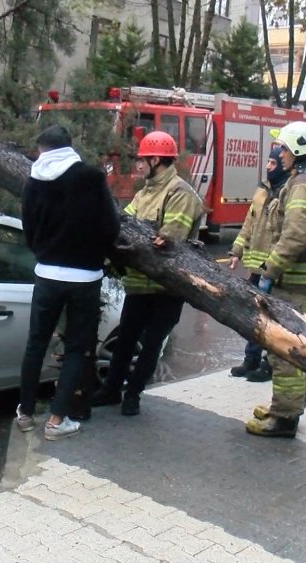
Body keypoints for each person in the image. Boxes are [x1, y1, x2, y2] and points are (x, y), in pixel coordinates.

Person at [16, 125, 120, 440]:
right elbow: (110, 225)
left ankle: (25, 412)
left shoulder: (33, 181)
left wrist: (44, 253)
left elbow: (28, 226)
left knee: (36, 343)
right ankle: (57, 420)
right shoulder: (89, 177)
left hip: (46, 273)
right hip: (85, 276)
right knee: (77, 347)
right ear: (69, 147)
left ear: (42, 149)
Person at [90, 131, 205, 416]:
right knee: (126, 339)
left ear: (156, 160)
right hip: (139, 285)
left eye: (142, 160)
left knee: (152, 344)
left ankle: (133, 394)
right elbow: (124, 226)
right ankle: (111, 390)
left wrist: (141, 242)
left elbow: (169, 240)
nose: (138, 165)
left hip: (167, 288)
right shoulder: (144, 193)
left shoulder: (180, 193)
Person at [246, 121, 306, 438]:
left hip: (296, 283)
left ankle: (284, 419)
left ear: (298, 150)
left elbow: (295, 235)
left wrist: (269, 270)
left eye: (284, 148)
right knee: (295, 351)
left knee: (286, 351)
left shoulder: (302, 184)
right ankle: (284, 407)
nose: (280, 154)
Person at [227, 145, 290, 382]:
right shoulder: (262, 191)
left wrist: (274, 265)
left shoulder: (288, 192)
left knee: (271, 319)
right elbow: (248, 224)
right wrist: (236, 251)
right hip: (256, 268)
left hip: (272, 268)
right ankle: (250, 360)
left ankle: (268, 365)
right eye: (267, 163)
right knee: (254, 316)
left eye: (273, 164)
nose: (268, 167)